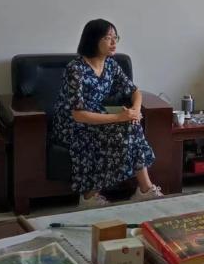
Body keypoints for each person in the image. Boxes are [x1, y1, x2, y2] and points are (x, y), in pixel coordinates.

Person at [51, 19, 163, 208]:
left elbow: (134, 91)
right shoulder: (76, 69)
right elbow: (78, 115)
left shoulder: (110, 64)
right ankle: (90, 196)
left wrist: (135, 111)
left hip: (98, 116)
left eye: (115, 37)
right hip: (71, 125)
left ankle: (145, 190)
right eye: (107, 38)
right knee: (123, 133)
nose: (113, 42)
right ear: (93, 40)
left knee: (131, 126)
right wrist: (120, 117)